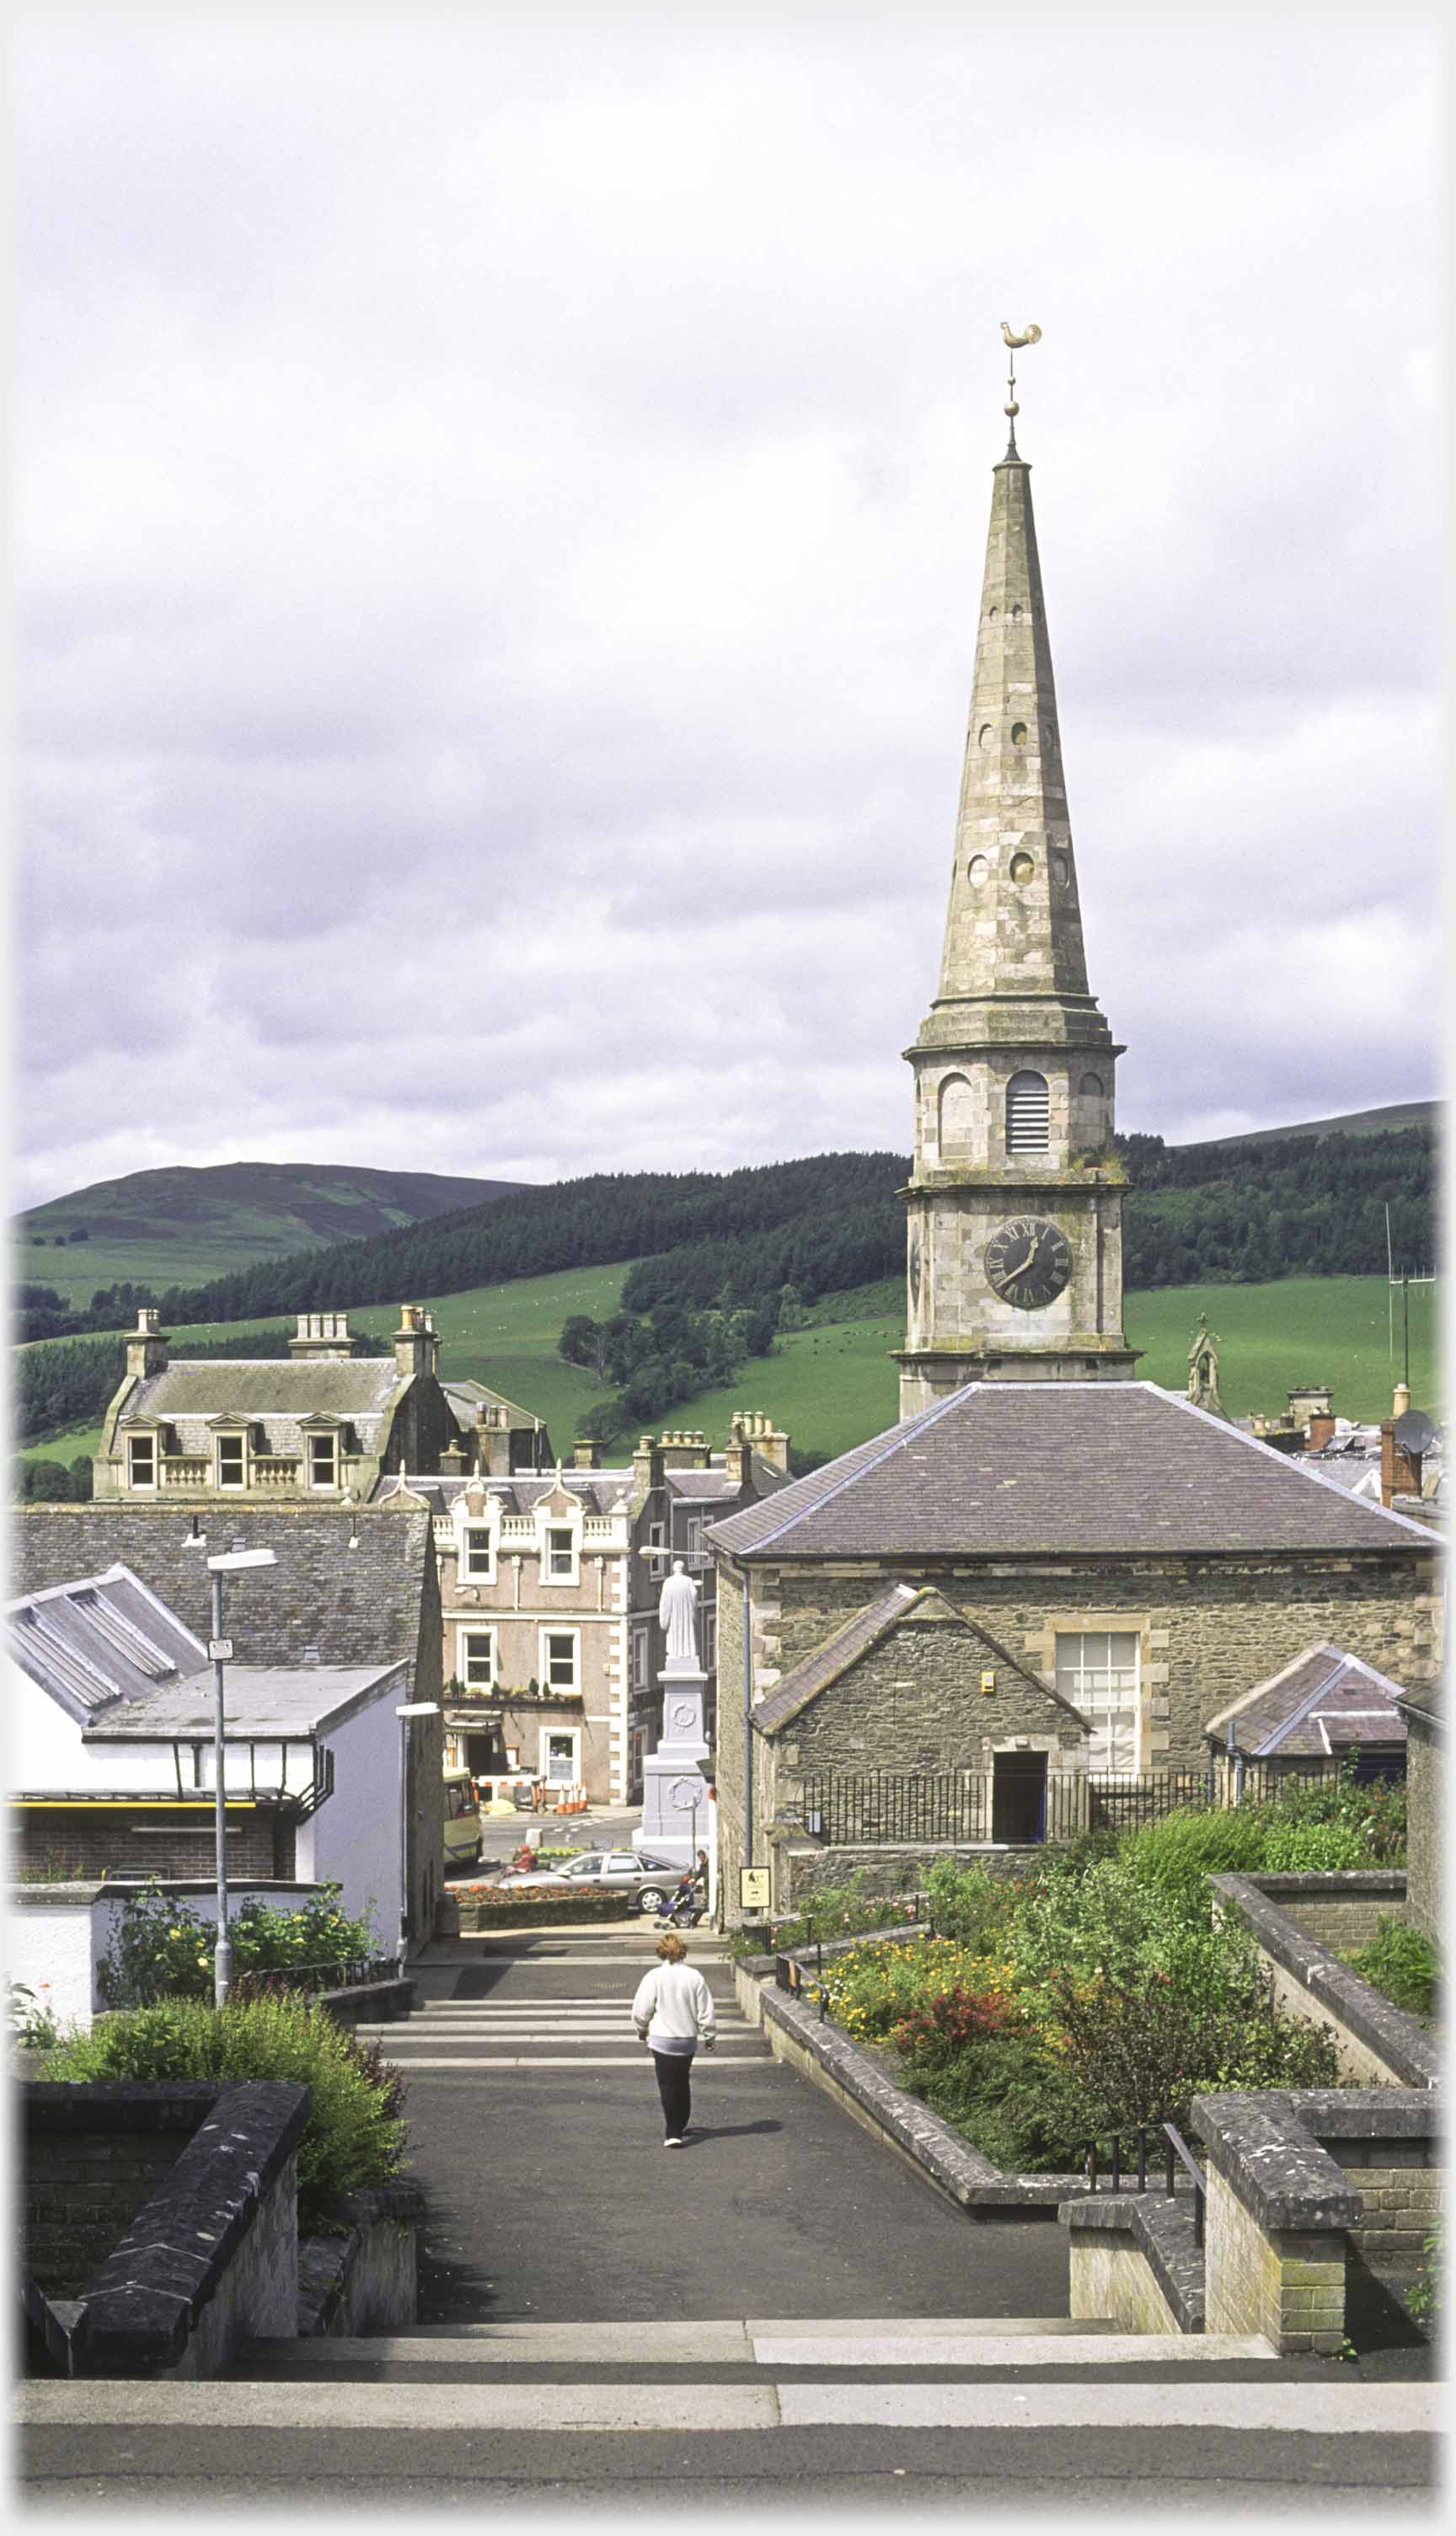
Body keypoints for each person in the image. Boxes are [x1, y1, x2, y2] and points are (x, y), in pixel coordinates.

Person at [631, 1930, 715, 2146]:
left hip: (662, 2038)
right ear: (683, 1952)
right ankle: (682, 2119)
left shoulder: (654, 1977)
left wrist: (641, 2030)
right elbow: (705, 2010)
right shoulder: (695, 1976)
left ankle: (673, 2131)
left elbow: (642, 2010)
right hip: (686, 2038)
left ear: (661, 1953)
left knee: (667, 2084)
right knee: (682, 2079)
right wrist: (709, 2035)